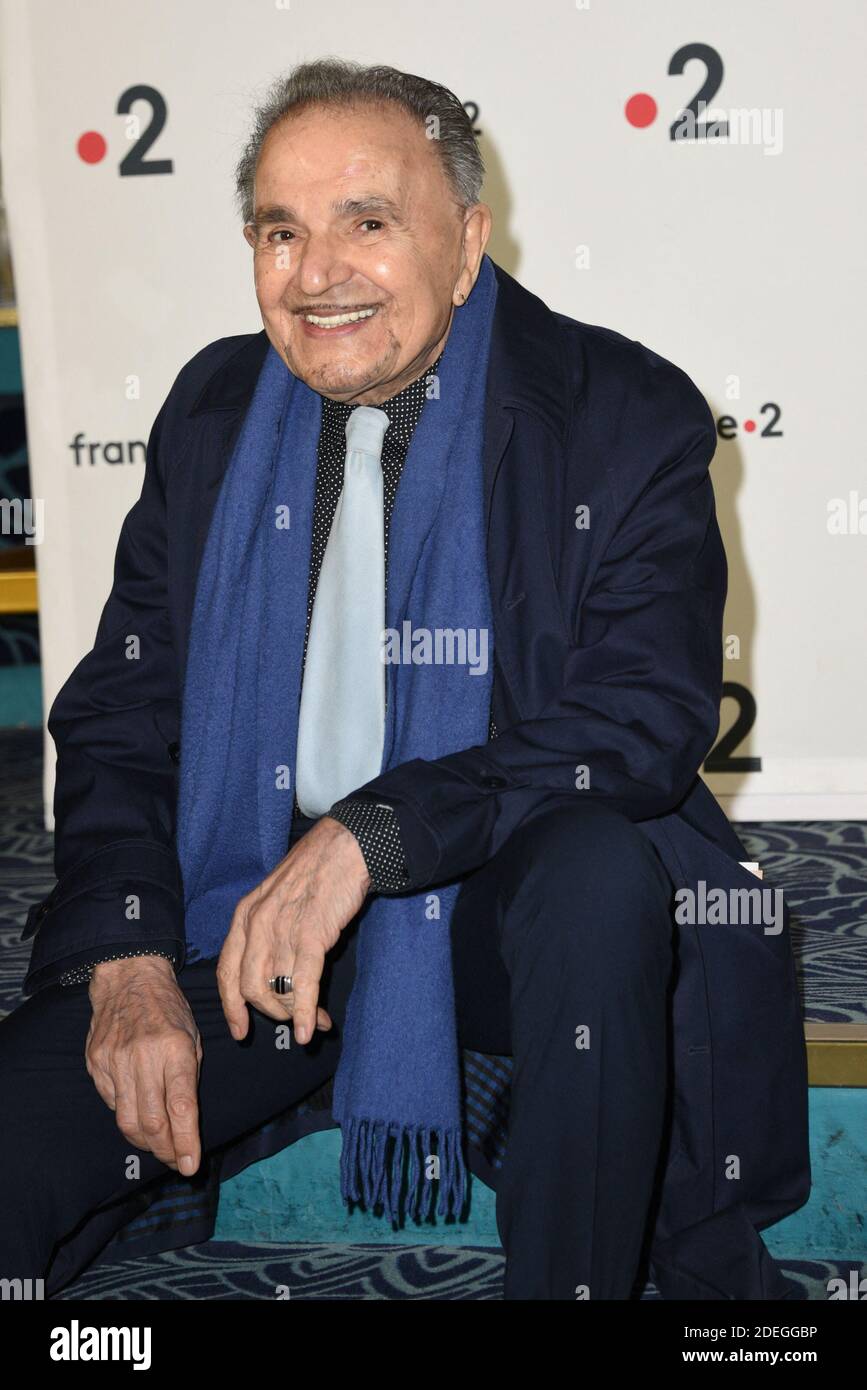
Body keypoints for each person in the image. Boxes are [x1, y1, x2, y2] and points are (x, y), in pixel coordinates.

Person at [0, 58, 809, 1301]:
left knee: (597, 871)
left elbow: (640, 720)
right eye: (281, 229)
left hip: (503, 917)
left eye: (367, 222)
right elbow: (121, 712)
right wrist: (125, 959)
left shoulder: (622, 409)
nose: (316, 271)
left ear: (468, 240)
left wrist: (373, 836)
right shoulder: (216, 408)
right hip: (247, 913)